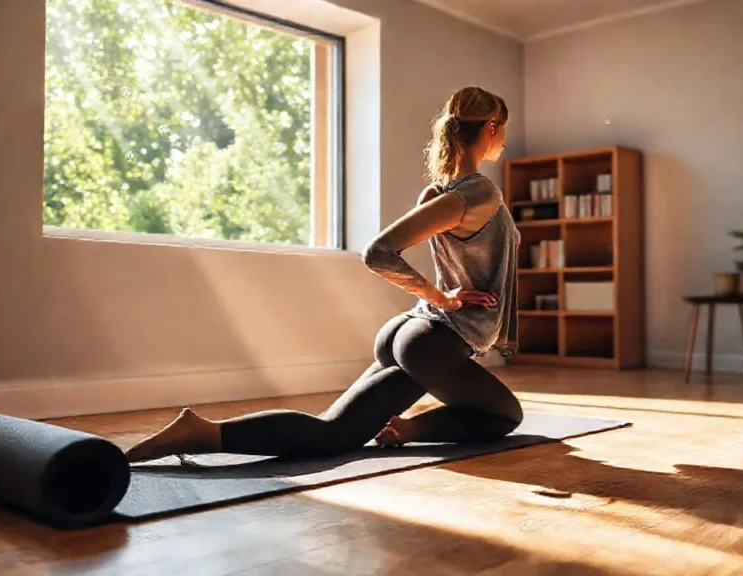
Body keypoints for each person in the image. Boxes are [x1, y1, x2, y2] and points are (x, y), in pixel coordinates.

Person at [125, 86, 523, 462]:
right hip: (433, 343)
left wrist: (439, 300)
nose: (504, 139)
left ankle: (204, 432)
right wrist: (445, 298)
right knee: (506, 416)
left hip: (414, 331)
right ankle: (204, 433)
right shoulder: (481, 193)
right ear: (490, 129)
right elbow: (380, 253)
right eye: (503, 130)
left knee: (334, 429)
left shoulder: (438, 193)